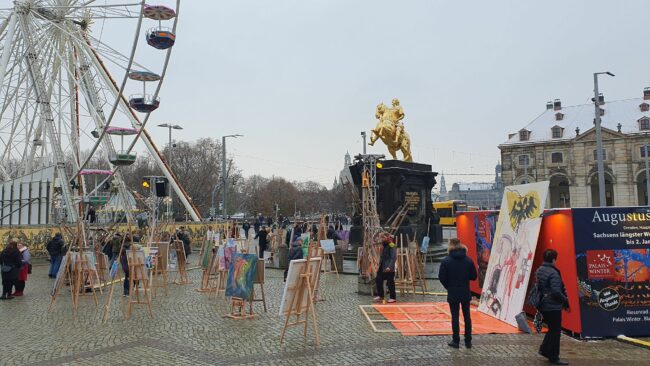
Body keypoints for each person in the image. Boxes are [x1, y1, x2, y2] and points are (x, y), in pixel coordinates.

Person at [438, 238, 477, 349]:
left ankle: (456, 341)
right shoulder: (468, 260)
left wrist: (448, 286)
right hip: (465, 291)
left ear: (450, 246)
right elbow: (474, 276)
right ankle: (468, 341)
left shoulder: (446, 261)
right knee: (467, 317)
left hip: (453, 292)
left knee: (455, 317)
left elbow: (441, 277)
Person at [536, 249, 570, 365]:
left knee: (552, 329)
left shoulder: (540, 270)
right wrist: (565, 301)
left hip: (543, 304)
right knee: (555, 331)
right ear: (554, 259)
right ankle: (554, 357)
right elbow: (556, 291)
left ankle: (545, 350)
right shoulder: (553, 273)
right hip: (552, 306)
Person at [373, 233, 397, 303]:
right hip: (383, 266)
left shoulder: (391, 245)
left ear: (387, 237)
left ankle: (393, 297)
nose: (382, 239)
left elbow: (393, 257)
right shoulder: (384, 244)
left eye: (383, 237)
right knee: (378, 279)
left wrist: (390, 266)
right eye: (381, 238)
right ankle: (381, 296)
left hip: (389, 267)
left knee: (390, 282)